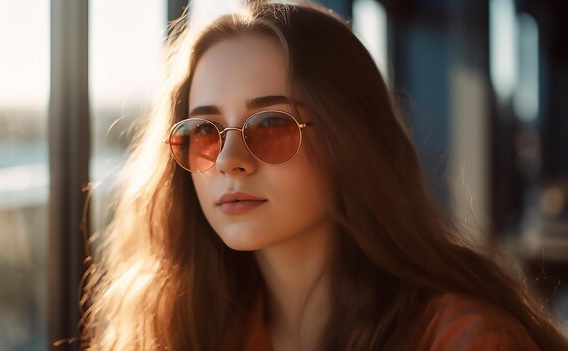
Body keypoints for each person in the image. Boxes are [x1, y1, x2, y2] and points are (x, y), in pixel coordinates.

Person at [80, 1, 568, 350]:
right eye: (204, 131)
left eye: (270, 125)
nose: (229, 159)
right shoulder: (185, 329)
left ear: (349, 140)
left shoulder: (462, 338)